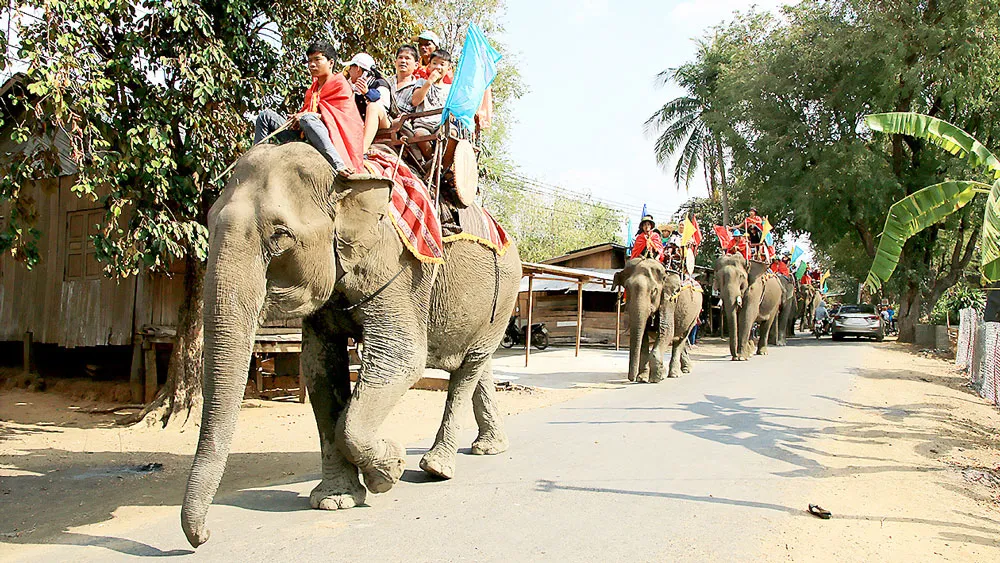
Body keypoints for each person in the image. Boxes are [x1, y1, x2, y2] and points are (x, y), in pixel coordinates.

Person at [254, 41, 363, 178]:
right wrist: (296, 118)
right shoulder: (311, 90)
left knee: (307, 118)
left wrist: (309, 116)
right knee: (265, 116)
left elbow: (344, 119)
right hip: (304, 134)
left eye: (317, 59)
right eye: (310, 60)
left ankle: (339, 165)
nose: (312, 64)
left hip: (329, 137)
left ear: (331, 63)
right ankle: (256, 160)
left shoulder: (340, 84)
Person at [396, 48, 452, 161]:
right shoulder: (421, 82)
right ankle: (431, 161)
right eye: (434, 63)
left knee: (452, 133)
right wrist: (429, 82)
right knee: (419, 135)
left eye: (442, 64)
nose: (438, 67)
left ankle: (444, 162)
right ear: (429, 66)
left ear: (448, 68)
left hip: (441, 124)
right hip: (423, 124)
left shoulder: (450, 89)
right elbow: (415, 101)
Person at [344, 53, 392, 153]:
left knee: (373, 107)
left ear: (357, 69)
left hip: (383, 122)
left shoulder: (380, 83)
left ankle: (363, 149)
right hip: (361, 124)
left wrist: (367, 93)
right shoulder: (352, 86)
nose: (348, 71)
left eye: (350, 68)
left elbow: (382, 106)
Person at [389, 45, 419, 117]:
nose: (403, 61)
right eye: (400, 57)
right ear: (395, 62)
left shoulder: (418, 88)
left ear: (416, 65)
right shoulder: (385, 82)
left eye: (407, 58)